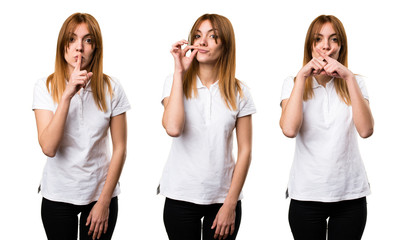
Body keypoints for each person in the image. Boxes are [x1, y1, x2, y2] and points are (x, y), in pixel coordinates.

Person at [32, 13, 130, 240]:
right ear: (62, 45)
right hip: (58, 194)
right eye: (72, 39)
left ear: (95, 48)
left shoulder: (111, 88)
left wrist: (104, 202)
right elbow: (48, 147)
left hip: (100, 194)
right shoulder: (44, 87)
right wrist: (67, 95)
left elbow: (120, 149)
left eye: (87, 40)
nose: (79, 47)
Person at [159, 14, 256, 240]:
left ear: (226, 45)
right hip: (180, 195)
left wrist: (230, 204)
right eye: (197, 35)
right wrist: (179, 72)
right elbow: (173, 128)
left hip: (223, 199)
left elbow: (245, 151)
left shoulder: (239, 91)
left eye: (212, 37)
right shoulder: (174, 82)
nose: (202, 42)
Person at [279, 15, 374, 240]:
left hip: (350, 195)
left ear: (341, 46)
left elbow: (366, 130)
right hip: (306, 194)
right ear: (310, 46)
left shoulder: (356, 82)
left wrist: (348, 78)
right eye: (318, 39)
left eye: (333, 39)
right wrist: (302, 76)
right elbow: (289, 130)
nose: (326, 46)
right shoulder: (293, 83)